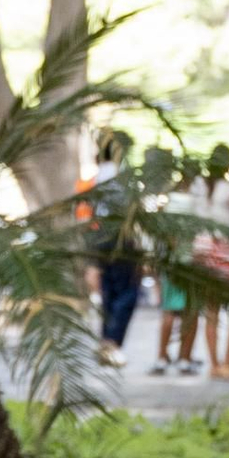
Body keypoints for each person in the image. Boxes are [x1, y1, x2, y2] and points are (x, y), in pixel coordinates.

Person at [190, 145, 229, 380]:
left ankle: (215, 364)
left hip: (202, 249)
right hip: (226, 250)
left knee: (211, 311)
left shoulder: (198, 186)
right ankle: (227, 362)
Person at [146, 152, 201, 378]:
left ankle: (162, 357)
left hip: (171, 262)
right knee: (190, 312)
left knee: (169, 311)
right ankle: (184, 359)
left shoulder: (168, 199)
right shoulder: (194, 201)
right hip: (188, 262)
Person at [90, 131, 139, 369]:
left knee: (109, 291)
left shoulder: (97, 175)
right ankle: (112, 342)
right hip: (119, 238)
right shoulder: (122, 175)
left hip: (101, 237)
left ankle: (106, 342)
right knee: (126, 292)